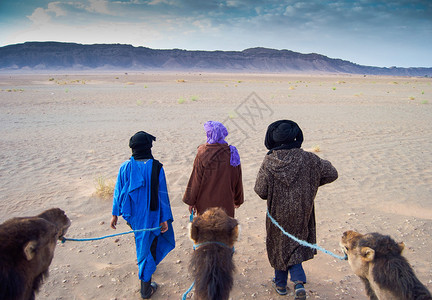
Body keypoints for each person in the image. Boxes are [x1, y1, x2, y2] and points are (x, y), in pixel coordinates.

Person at [254, 120, 338, 299]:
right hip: (302, 211)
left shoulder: (269, 161)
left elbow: (260, 191)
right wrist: (311, 181)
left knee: (279, 247)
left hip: (277, 215)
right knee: (296, 243)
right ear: (295, 136)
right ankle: (298, 282)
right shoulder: (310, 159)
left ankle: (281, 285)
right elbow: (332, 172)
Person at [110, 131, 175, 299]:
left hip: (133, 217)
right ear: (149, 147)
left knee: (142, 243)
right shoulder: (157, 167)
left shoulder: (125, 167)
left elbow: (118, 191)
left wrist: (115, 214)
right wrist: (165, 219)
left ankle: (147, 268)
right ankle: (146, 289)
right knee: (148, 246)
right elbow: (163, 195)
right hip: (153, 217)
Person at [183, 121, 244, 218]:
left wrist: (191, 201)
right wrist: (238, 199)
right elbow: (237, 178)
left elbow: (196, 180)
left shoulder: (202, 152)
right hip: (226, 203)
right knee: (225, 230)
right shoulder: (232, 153)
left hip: (205, 204)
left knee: (206, 229)